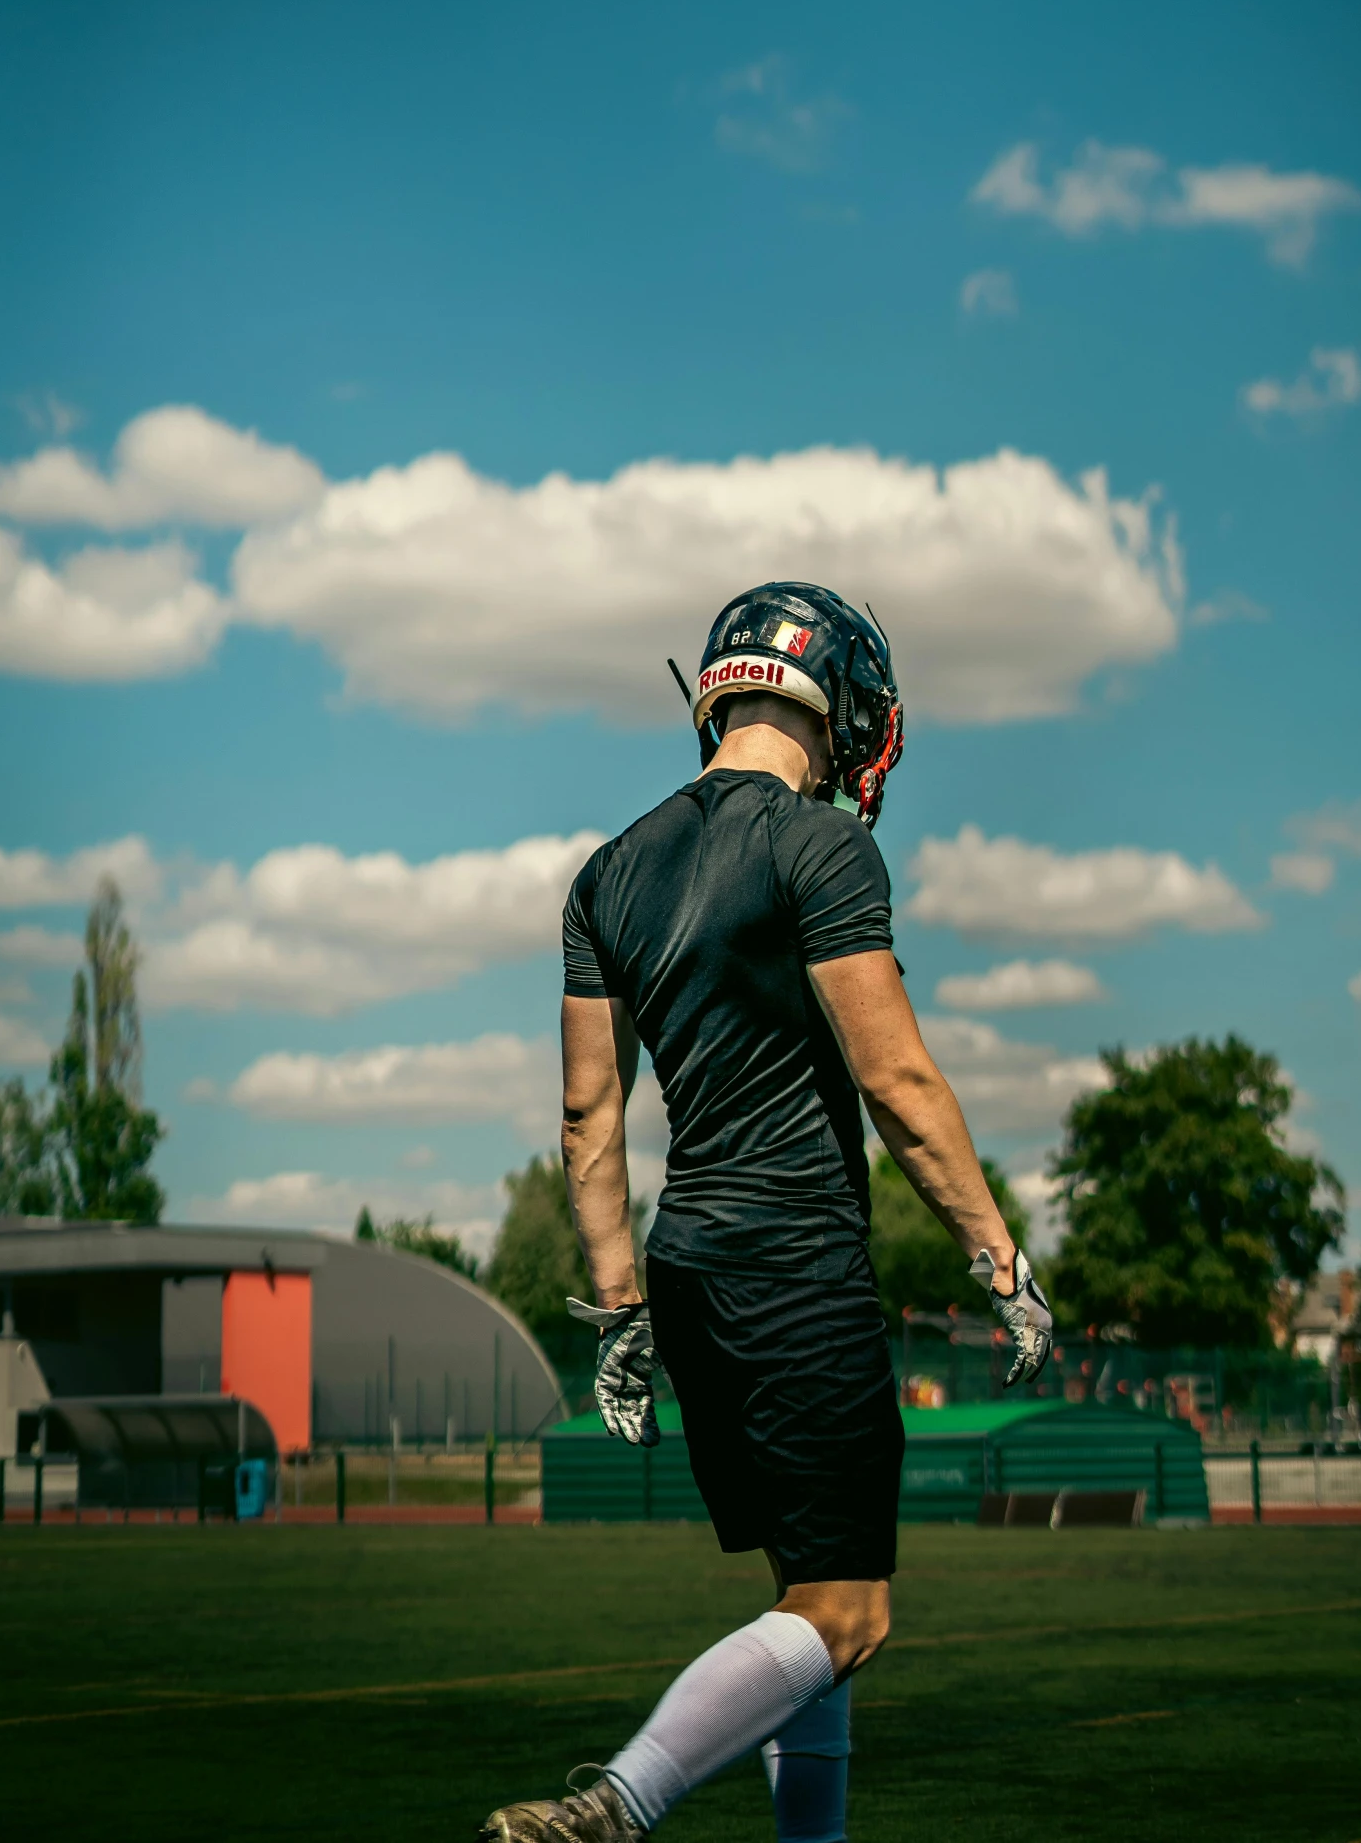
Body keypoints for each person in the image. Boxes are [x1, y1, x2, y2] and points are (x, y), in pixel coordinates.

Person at [478, 583, 1053, 1843]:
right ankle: (615, 1807)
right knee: (850, 1612)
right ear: (835, 697)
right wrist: (1000, 1260)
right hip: (795, 1257)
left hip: (687, 1268)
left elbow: (588, 1118)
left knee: (809, 1602)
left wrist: (618, 1311)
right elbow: (895, 1081)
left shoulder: (606, 871)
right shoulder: (823, 844)